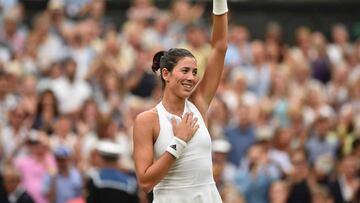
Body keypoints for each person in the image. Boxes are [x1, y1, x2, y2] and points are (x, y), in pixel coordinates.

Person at [133, 0, 228, 202]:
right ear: (166, 74)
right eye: (184, 71)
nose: (192, 78)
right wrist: (178, 142)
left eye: (194, 72)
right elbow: (145, 182)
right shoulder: (147, 120)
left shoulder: (199, 103)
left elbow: (219, 47)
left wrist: (219, 2)